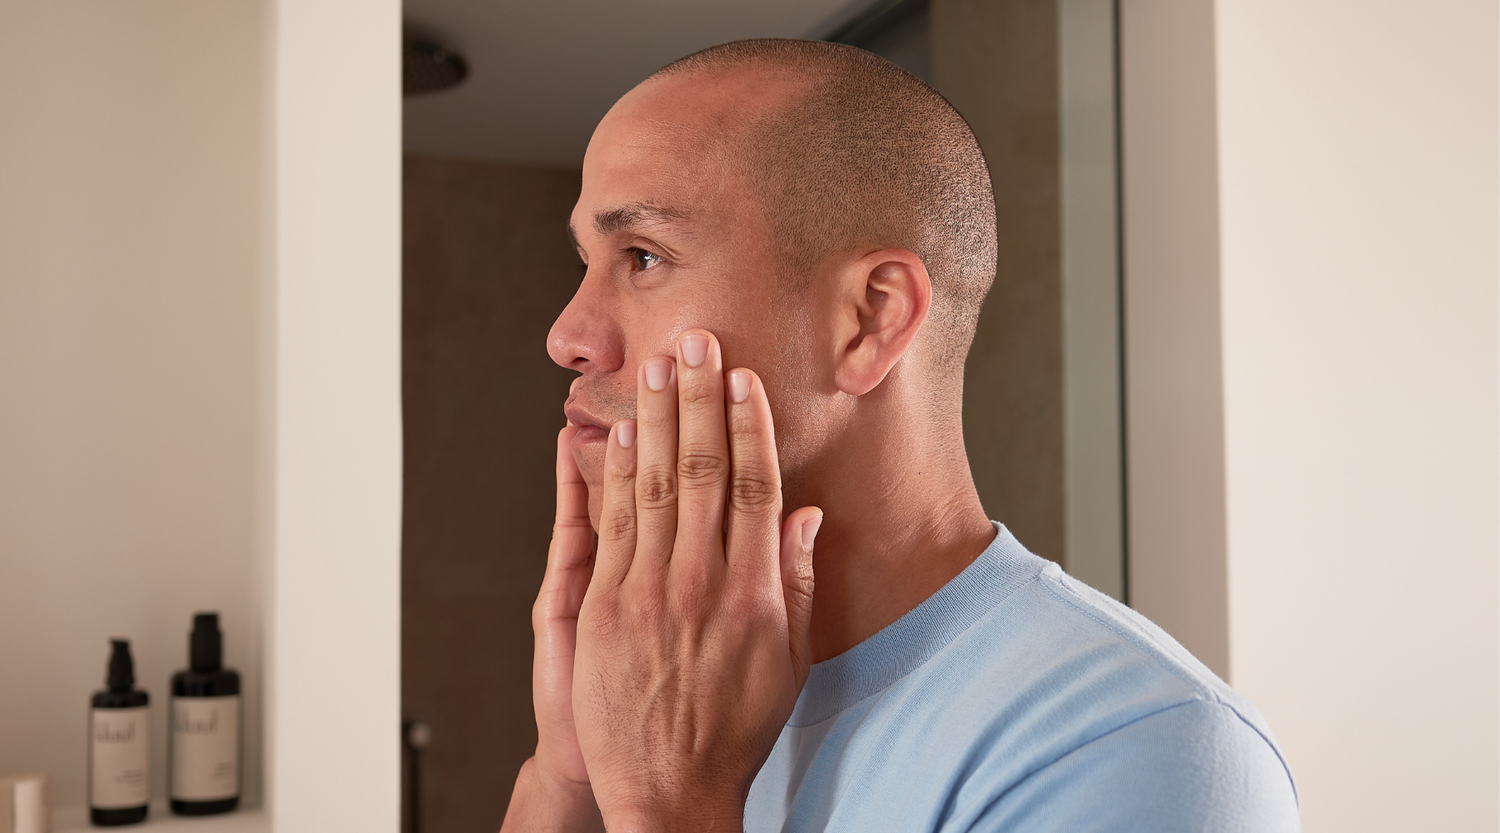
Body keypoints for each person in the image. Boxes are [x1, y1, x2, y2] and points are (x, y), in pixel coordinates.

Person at [501, 39, 1299, 833]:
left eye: (643, 257)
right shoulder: (659, 699)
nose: (567, 335)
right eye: (586, 262)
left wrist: (664, 802)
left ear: (870, 320)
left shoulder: (1134, 746)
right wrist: (565, 779)